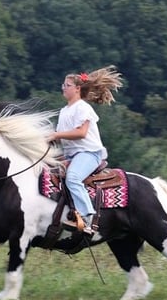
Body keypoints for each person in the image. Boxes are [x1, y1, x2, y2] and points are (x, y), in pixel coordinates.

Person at [48, 65, 123, 236]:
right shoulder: (64, 111)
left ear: (77, 88)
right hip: (71, 155)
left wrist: (55, 134)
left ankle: (88, 217)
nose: (63, 88)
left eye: (66, 85)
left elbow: (81, 133)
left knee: (73, 177)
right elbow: (61, 136)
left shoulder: (82, 107)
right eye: (63, 85)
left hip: (89, 153)